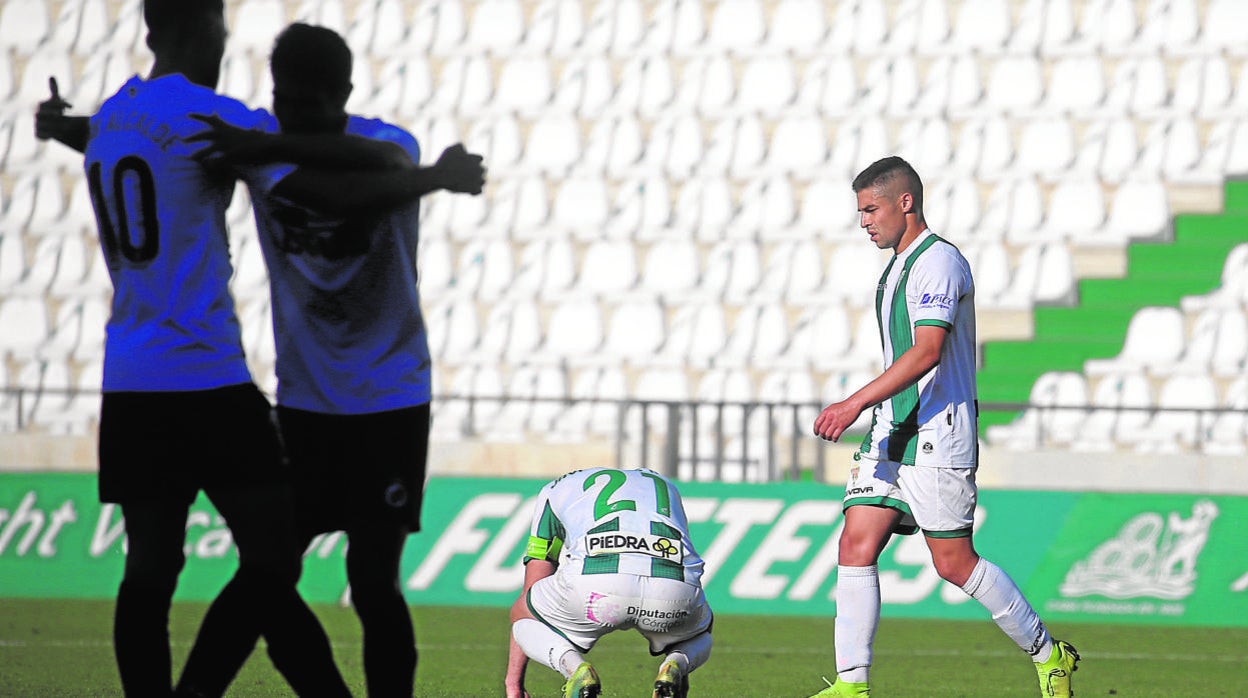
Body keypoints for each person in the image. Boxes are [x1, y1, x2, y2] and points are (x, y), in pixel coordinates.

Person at [32, 1, 416, 695]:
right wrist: (422, 178)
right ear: (205, 25)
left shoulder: (115, 117)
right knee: (272, 561)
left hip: (128, 377)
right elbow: (325, 184)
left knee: (148, 568)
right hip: (207, 377)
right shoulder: (213, 119)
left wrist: (60, 127)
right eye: (220, 27)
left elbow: (94, 134)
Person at [171, 23, 485, 698]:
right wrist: (76, 129)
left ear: (343, 95)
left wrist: (270, 142)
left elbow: (360, 189)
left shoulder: (387, 146)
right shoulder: (263, 153)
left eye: (306, 104)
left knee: (373, 583)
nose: (289, 113)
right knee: (268, 573)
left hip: (390, 397)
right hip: (307, 402)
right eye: (282, 99)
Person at [809, 156, 1080, 698]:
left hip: (936, 434)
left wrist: (854, 402)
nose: (864, 221)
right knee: (855, 544)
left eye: (871, 209)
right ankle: (851, 685)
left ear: (905, 202)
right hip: (891, 431)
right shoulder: (896, 267)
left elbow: (929, 351)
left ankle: (1049, 654)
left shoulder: (939, 263)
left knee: (954, 564)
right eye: (860, 211)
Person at [504, 467, 713, 698]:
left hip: (596, 591)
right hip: (672, 593)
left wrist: (515, 684)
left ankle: (575, 669)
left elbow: (536, 576)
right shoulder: (664, 484)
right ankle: (675, 665)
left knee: (522, 613)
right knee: (700, 632)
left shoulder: (554, 489)